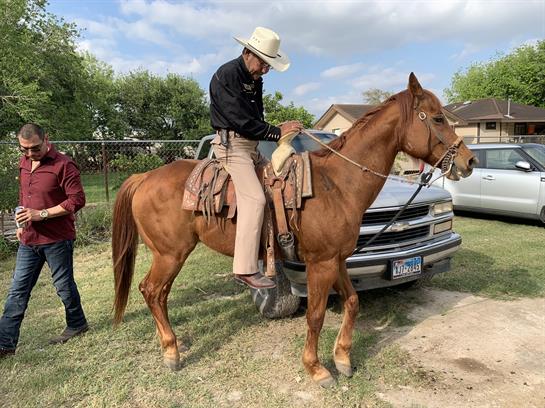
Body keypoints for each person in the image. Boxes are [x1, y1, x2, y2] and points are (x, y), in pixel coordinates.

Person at [209, 26, 302, 290]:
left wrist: (278, 128)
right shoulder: (227, 75)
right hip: (232, 147)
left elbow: (255, 120)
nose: (265, 69)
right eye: (263, 62)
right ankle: (245, 268)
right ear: (248, 53)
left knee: (280, 185)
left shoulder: (254, 79)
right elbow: (240, 120)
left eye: (269, 65)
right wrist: (277, 132)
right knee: (255, 199)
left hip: (251, 148)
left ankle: (278, 249)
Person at [0, 123, 88, 358]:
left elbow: (77, 200)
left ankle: (77, 323)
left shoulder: (64, 165)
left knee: (63, 286)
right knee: (17, 291)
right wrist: (20, 224)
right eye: (24, 149)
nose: (30, 153)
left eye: (35, 148)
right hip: (29, 239)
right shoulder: (23, 163)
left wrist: (42, 214)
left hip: (57, 238)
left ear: (46, 139)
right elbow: (24, 195)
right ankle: (5, 344)